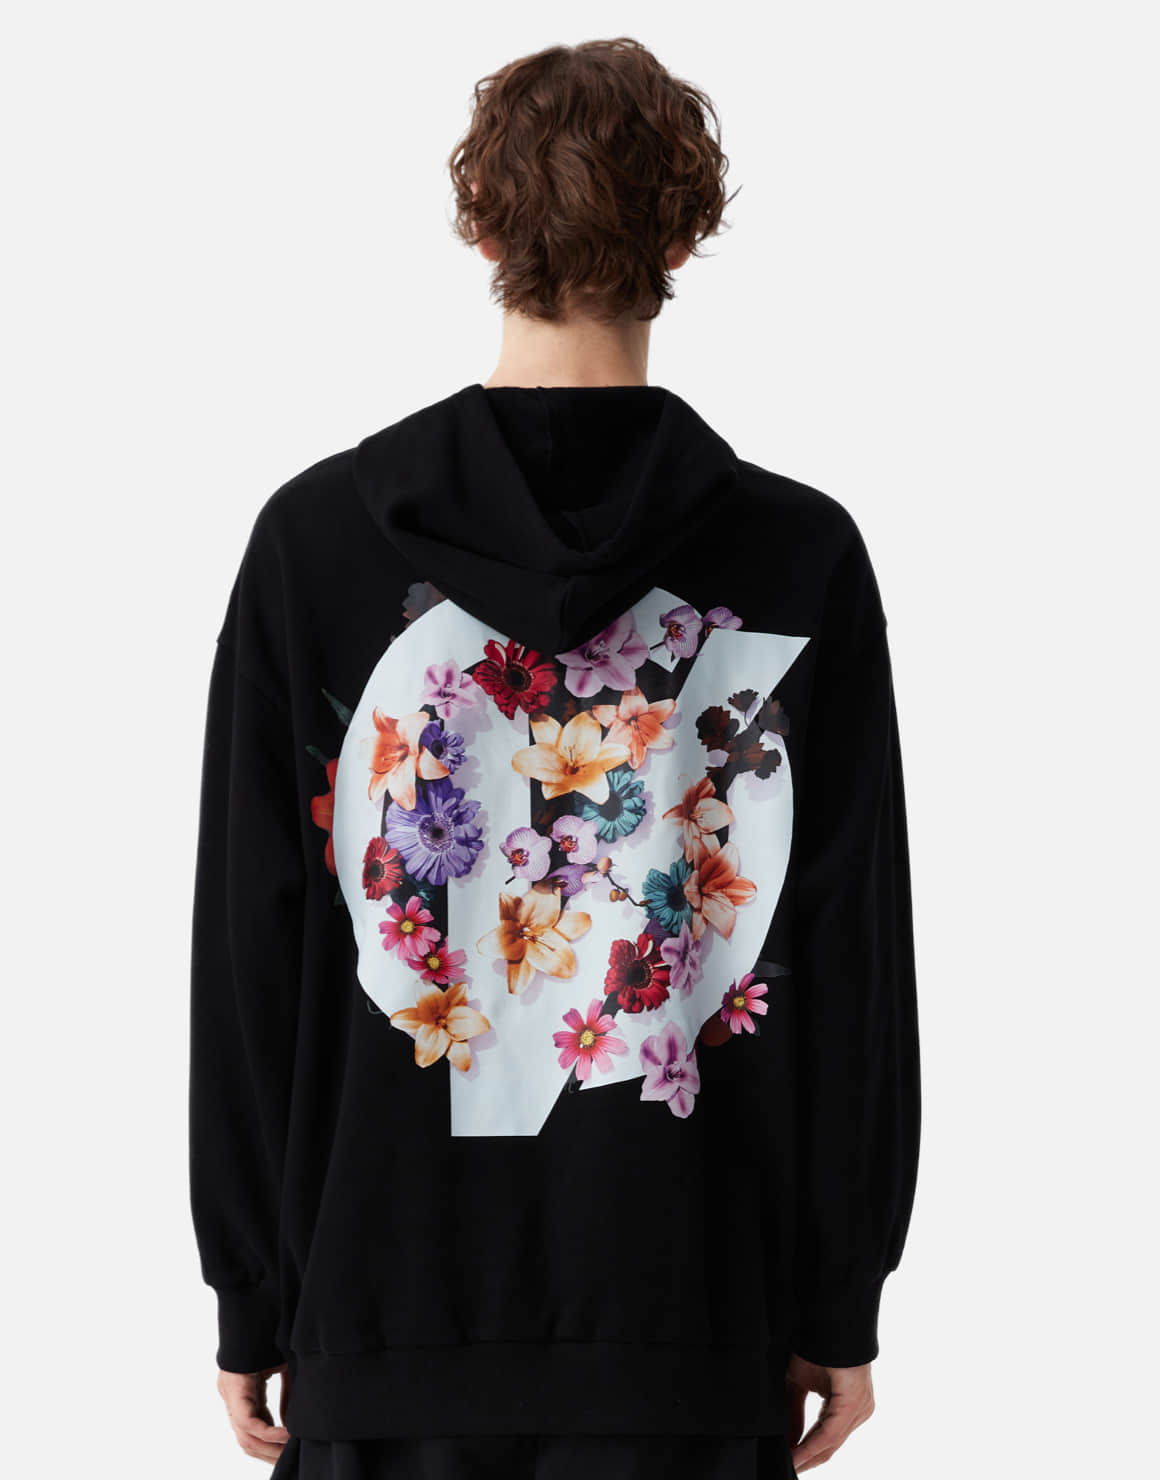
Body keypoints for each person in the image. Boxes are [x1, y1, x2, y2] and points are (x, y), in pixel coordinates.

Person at [188, 36, 921, 1480]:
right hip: (693, 1327)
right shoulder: (800, 558)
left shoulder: (315, 544)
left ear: (480, 228)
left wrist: (254, 1292)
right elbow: (851, 954)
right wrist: (840, 1294)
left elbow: (252, 951)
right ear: (684, 241)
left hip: (380, 1318)